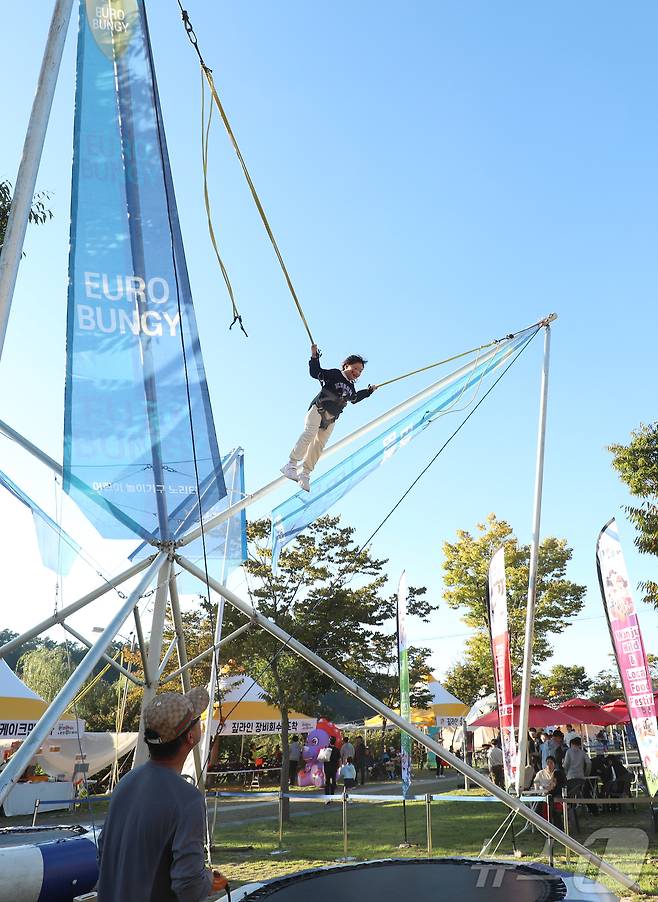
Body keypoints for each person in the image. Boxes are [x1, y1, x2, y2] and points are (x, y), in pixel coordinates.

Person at [97, 687, 227, 902]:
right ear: (190, 736)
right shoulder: (188, 800)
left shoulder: (125, 783)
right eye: (196, 719)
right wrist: (208, 881)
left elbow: (104, 853)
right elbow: (188, 886)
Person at [281, 344, 377, 492]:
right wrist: (314, 356)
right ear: (346, 365)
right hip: (318, 409)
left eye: (360, 371)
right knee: (310, 434)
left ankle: (305, 474)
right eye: (355, 368)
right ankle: (291, 464)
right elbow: (315, 372)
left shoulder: (351, 388)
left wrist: (369, 391)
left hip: (331, 419)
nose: (357, 372)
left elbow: (355, 398)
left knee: (319, 445)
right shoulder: (335, 374)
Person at [323, 736, 341, 801]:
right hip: (334, 768)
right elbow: (339, 759)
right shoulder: (336, 750)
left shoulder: (326, 749)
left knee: (327, 782)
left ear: (329, 741)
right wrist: (338, 766)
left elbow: (322, 758)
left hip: (327, 767)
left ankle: (327, 796)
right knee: (333, 781)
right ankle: (332, 795)